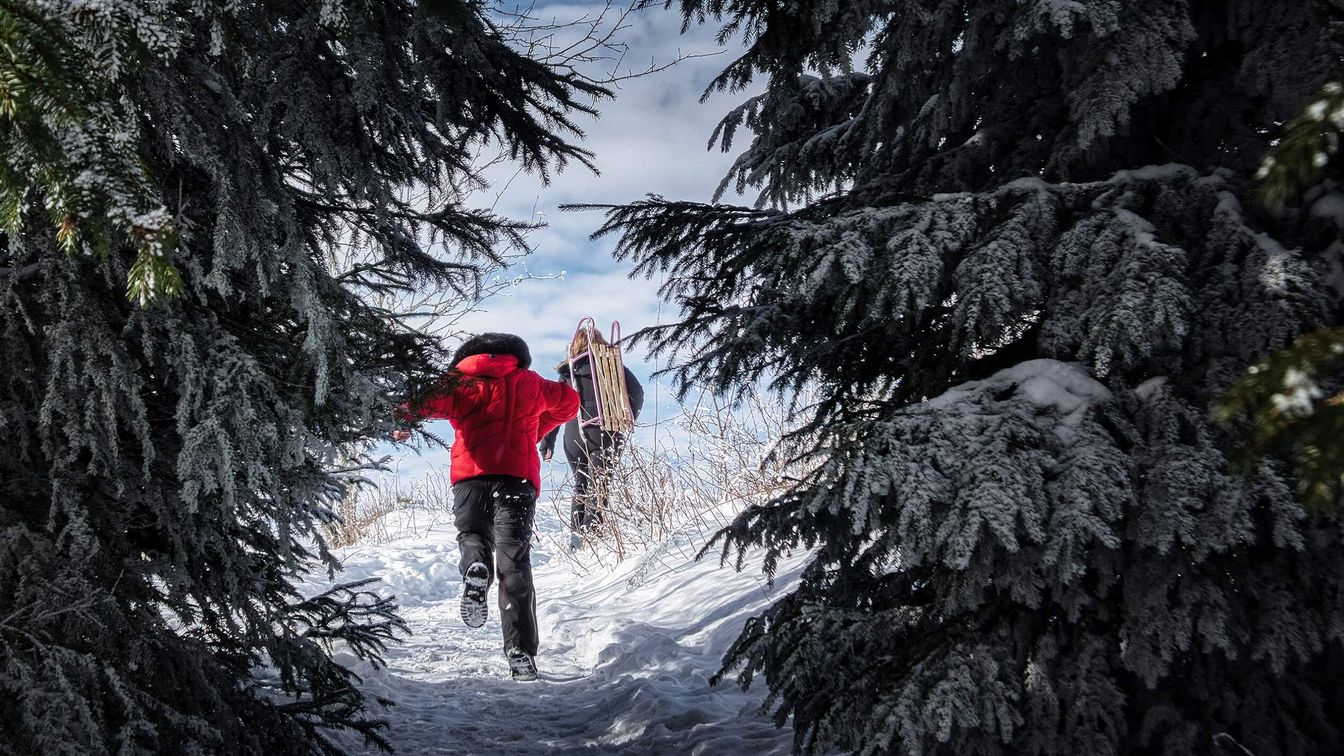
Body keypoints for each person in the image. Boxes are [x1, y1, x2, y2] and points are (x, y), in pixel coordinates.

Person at [394, 332, 578, 681]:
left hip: (471, 479)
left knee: (473, 534)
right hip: (517, 480)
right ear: (516, 355)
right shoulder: (531, 382)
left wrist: (403, 422)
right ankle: (520, 651)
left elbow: (417, 401)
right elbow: (570, 402)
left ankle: (476, 567)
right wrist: (537, 428)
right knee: (515, 562)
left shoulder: (460, 381)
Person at [538, 329, 644, 543]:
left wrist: (547, 441)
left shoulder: (568, 372)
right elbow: (637, 392)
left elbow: (555, 408)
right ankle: (592, 538)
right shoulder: (613, 366)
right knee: (600, 484)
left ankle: (577, 539)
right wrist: (627, 417)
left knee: (581, 484)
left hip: (573, 434)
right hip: (604, 430)